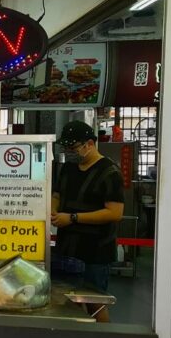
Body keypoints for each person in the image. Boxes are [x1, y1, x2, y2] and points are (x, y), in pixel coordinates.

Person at [51, 121, 125, 293]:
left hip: (96, 252)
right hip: (66, 248)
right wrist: (53, 209)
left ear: (89, 144)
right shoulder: (68, 168)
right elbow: (57, 194)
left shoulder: (110, 172)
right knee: (66, 300)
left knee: (94, 302)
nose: (69, 153)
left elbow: (115, 213)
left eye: (73, 148)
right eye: (66, 149)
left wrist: (72, 218)